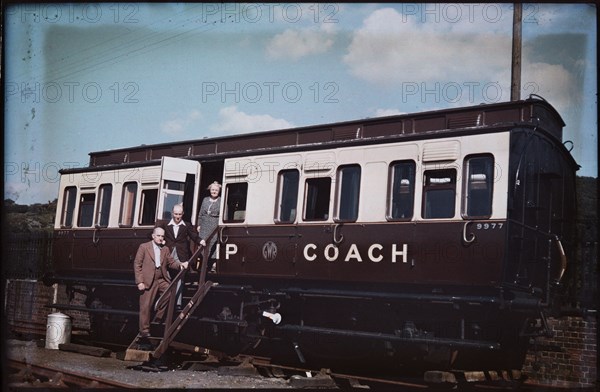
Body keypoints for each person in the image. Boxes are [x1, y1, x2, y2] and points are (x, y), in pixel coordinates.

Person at [133, 227, 189, 339]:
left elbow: (171, 262)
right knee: (145, 306)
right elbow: (137, 264)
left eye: (162, 236)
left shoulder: (165, 249)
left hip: (161, 278)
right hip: (148, 280)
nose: (160, 238)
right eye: (158, 236)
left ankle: (158, 316)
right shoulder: (144, 247)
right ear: (153, 236)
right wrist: (140, 282)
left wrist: (180, 264)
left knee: (170, 291)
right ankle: (144, 330)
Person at [155, 203, 200, 307]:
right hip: (168, 253)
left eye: (179, 214)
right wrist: (161, 241)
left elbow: (194, 236)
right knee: (167, 276)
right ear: (172, 213)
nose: (177, 216)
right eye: (176, 214)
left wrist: (201, 241)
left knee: (179, 277)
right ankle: (166, 302)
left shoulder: (186, 225)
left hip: (181, 255)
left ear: (182, 214)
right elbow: (152, 234)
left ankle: (177, 303)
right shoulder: (165, 224)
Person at [197, 181, 221, 270]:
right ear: (210, 190)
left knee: (213, 245)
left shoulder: (221, 200)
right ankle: (204, 264)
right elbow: (200, 214)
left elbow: (224, 214)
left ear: (219, 191)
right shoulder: (205, 199)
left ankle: (212, 265)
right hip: (204, 226)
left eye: (216, 190)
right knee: (203, 244)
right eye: (212, 190)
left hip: (214, 225)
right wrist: (199, 225)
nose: (214, 191)